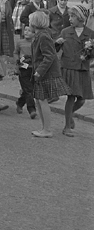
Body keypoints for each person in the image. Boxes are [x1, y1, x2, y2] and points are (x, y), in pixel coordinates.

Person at [29, 10, 69, 138]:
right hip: (42, 73)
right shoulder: (41, 35)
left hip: (45, 73)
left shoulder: (43, 36)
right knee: (39, 100)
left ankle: (47, 129)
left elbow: (49, 56)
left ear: (35, 23)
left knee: (42, 100)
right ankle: (44, 128)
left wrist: (39, 72)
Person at [55, 5, 94, 136]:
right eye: (70, 16)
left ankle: (69, 114)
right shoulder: (65, 31)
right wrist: (57, 43)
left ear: (81, 18)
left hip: (83, 69)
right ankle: (67, 127)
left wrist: (90, 52)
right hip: (69, 68)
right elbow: (55, 50)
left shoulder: (90, 33)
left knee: (82, 99)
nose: (70, 19)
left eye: (73, 16)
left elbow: (92, 53)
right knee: (71, 98)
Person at [14, 25, 37, 119]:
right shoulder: (20, 42)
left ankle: (20, 103)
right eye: (25, 30)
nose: (26, 32)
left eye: (29, 31)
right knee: (28, 89)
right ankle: (32, 109)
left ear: (34, 33)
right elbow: (15, 53)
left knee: (29, 89)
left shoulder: (36, 43)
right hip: (23, 68)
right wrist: (17, 63)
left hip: (33, 68)